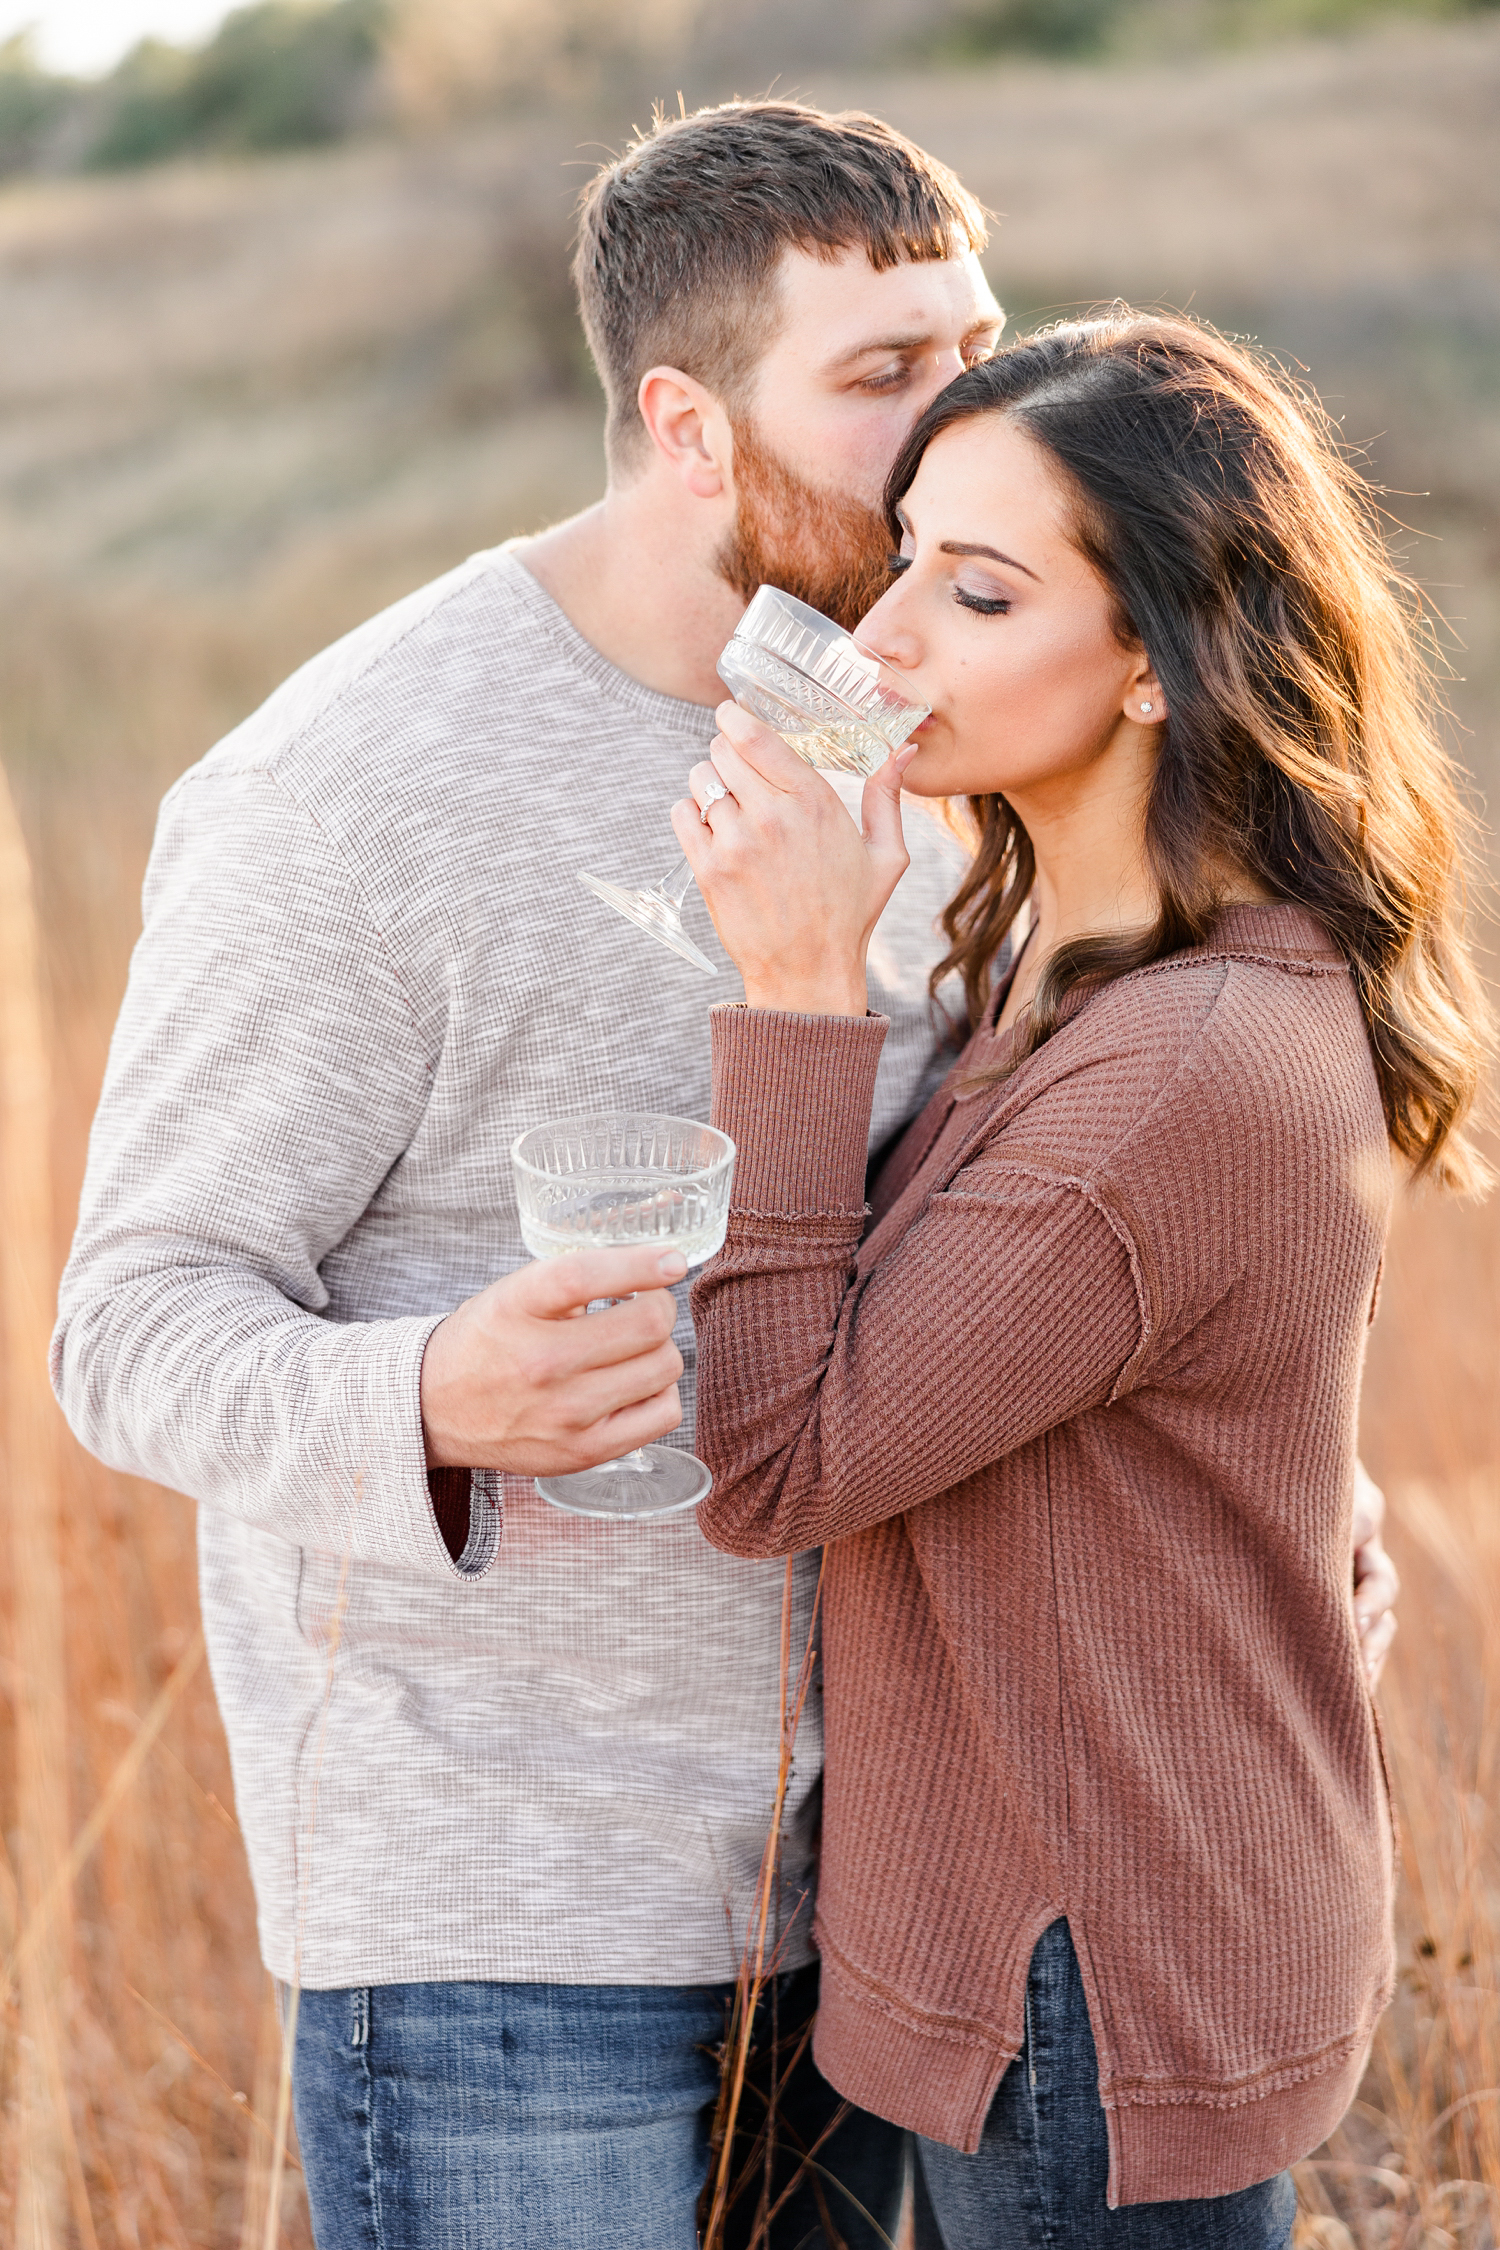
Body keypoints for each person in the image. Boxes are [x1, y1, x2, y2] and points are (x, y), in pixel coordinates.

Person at [50, 93, 1396, 2247]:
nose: (952, 415)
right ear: (688, 424)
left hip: (882, 1903)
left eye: (970, 347)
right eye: (878, 378)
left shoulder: (942, 734)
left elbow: (1092, 1249)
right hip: (513, 1915)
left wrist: (1274, 1551)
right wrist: (417, 1401)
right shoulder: (342, 792)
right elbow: (127, 1326)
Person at [670, 314, 1487, 2245]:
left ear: (1152, 660)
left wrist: (791, 990)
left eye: (975, 593)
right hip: (1116, 1901)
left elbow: (775, 1468)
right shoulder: (1082, 953)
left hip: (1088, 1974)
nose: (881, 646)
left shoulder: (1178, 1064)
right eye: (902, 571)